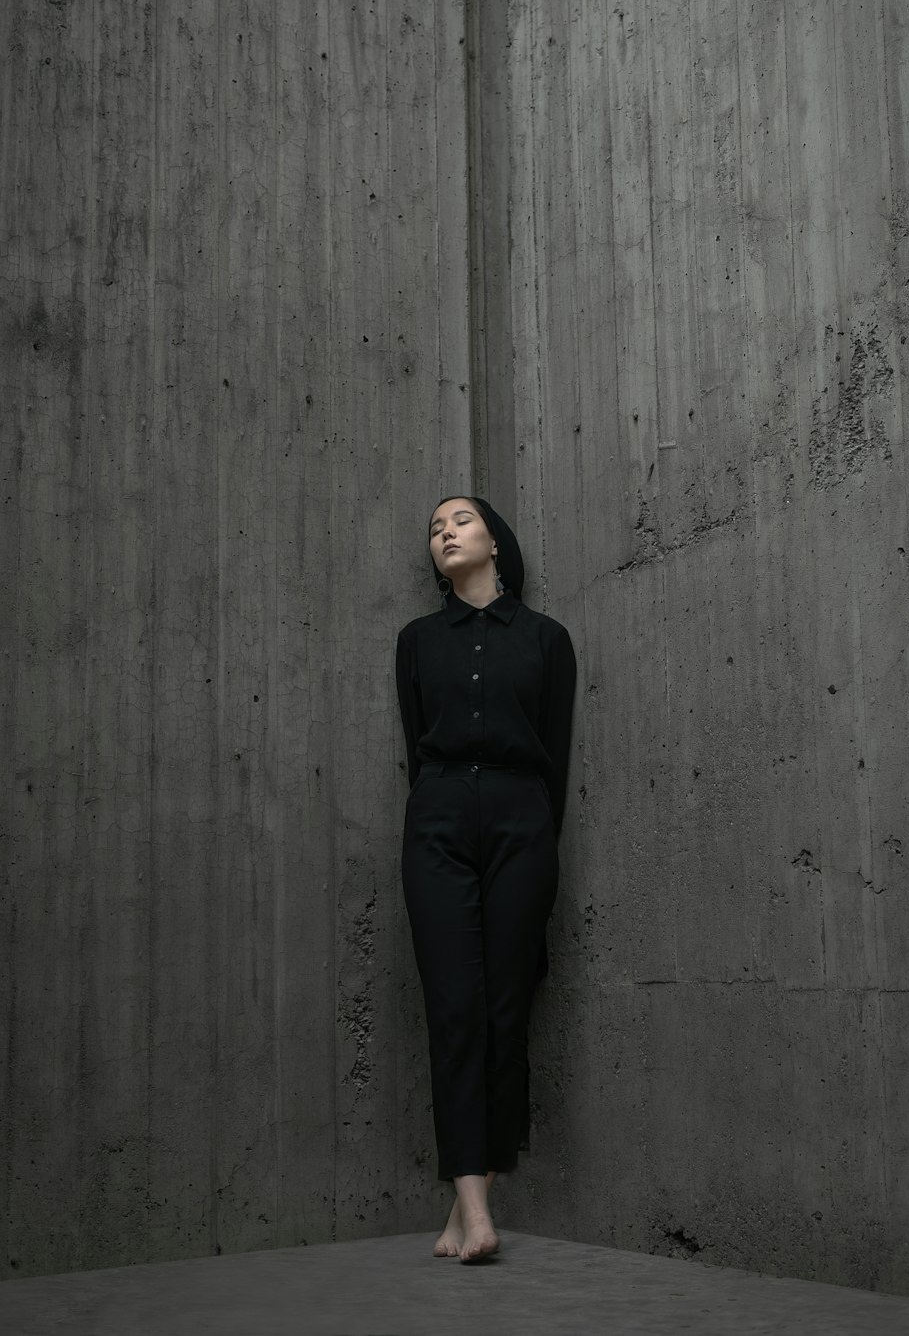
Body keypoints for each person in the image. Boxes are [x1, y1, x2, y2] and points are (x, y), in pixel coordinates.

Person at [394, 495, 578, 1262]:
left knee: (505, 1005)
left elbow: (557, 754)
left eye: (460, 521)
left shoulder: (547, 640)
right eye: (435, 529)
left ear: (496, 542)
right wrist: (440, 808)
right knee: (454, 1007)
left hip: (521, 818)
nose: (446, 533)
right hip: (437, 820)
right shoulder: (416, 642)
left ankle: (465, 1207)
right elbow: (416, 744)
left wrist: (534, 836)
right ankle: (476, 1215)